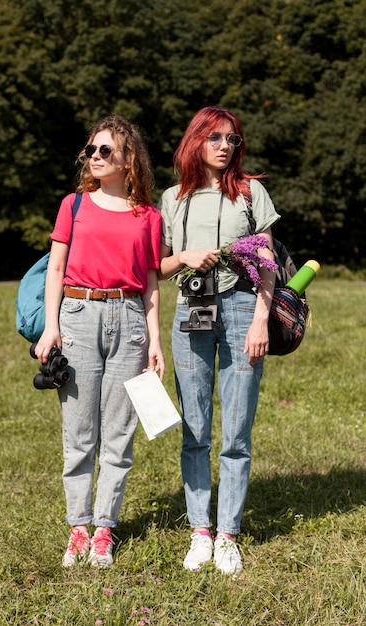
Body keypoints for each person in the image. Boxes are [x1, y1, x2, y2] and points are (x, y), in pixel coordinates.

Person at [35, 114, 164, 568]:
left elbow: (150, 283)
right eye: (90, 150)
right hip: (77, 314)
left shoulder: (149, 216)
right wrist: (51, 326)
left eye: (105, 150)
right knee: (79, 433)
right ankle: (78, 527)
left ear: (129, 160)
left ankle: (105, 529)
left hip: (129, 320)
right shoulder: (73, 205)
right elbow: (55, 268)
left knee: (119, 432)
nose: (94, 157)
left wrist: (155, 342)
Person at [158, 106, 280, 575]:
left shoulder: (251, 194)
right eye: (216, 138)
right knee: (195, 429)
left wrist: (260, 321)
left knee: (237, 431)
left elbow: (267, 262)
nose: (226, 146)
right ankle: (199, 532)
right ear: (197, 142)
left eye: (233, 139)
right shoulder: (173, 198)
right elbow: (159, 267)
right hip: (191, 313)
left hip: (242, 310)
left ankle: (228, 533)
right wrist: (186, 254)